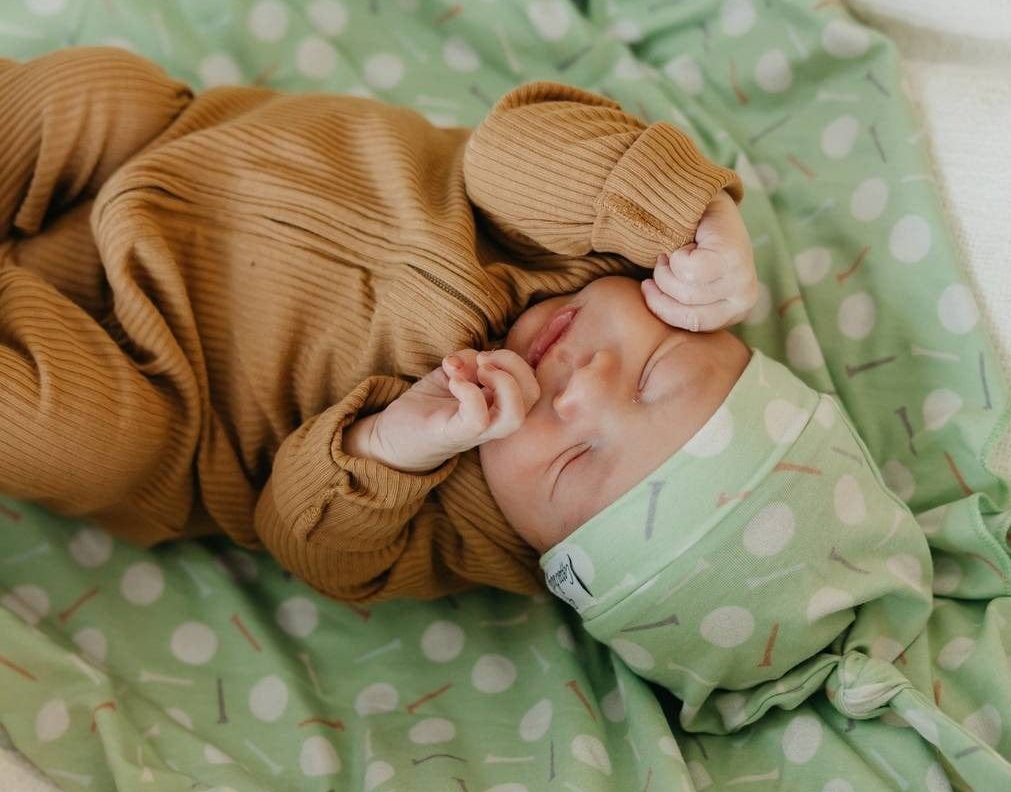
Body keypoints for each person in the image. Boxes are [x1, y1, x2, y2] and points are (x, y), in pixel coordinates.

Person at [0, 47, 757, 601]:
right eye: (653, 372)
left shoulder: (459, 529)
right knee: (87, 91)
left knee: (74, 441)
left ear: (543, 551)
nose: (584, 388)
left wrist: (393, 444)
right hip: (163, 146)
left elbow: (304, 539)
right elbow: (510, 145)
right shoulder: (583, 238)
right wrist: (688, 215)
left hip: (149, 383)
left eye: (575, 460)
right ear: (699, 317)